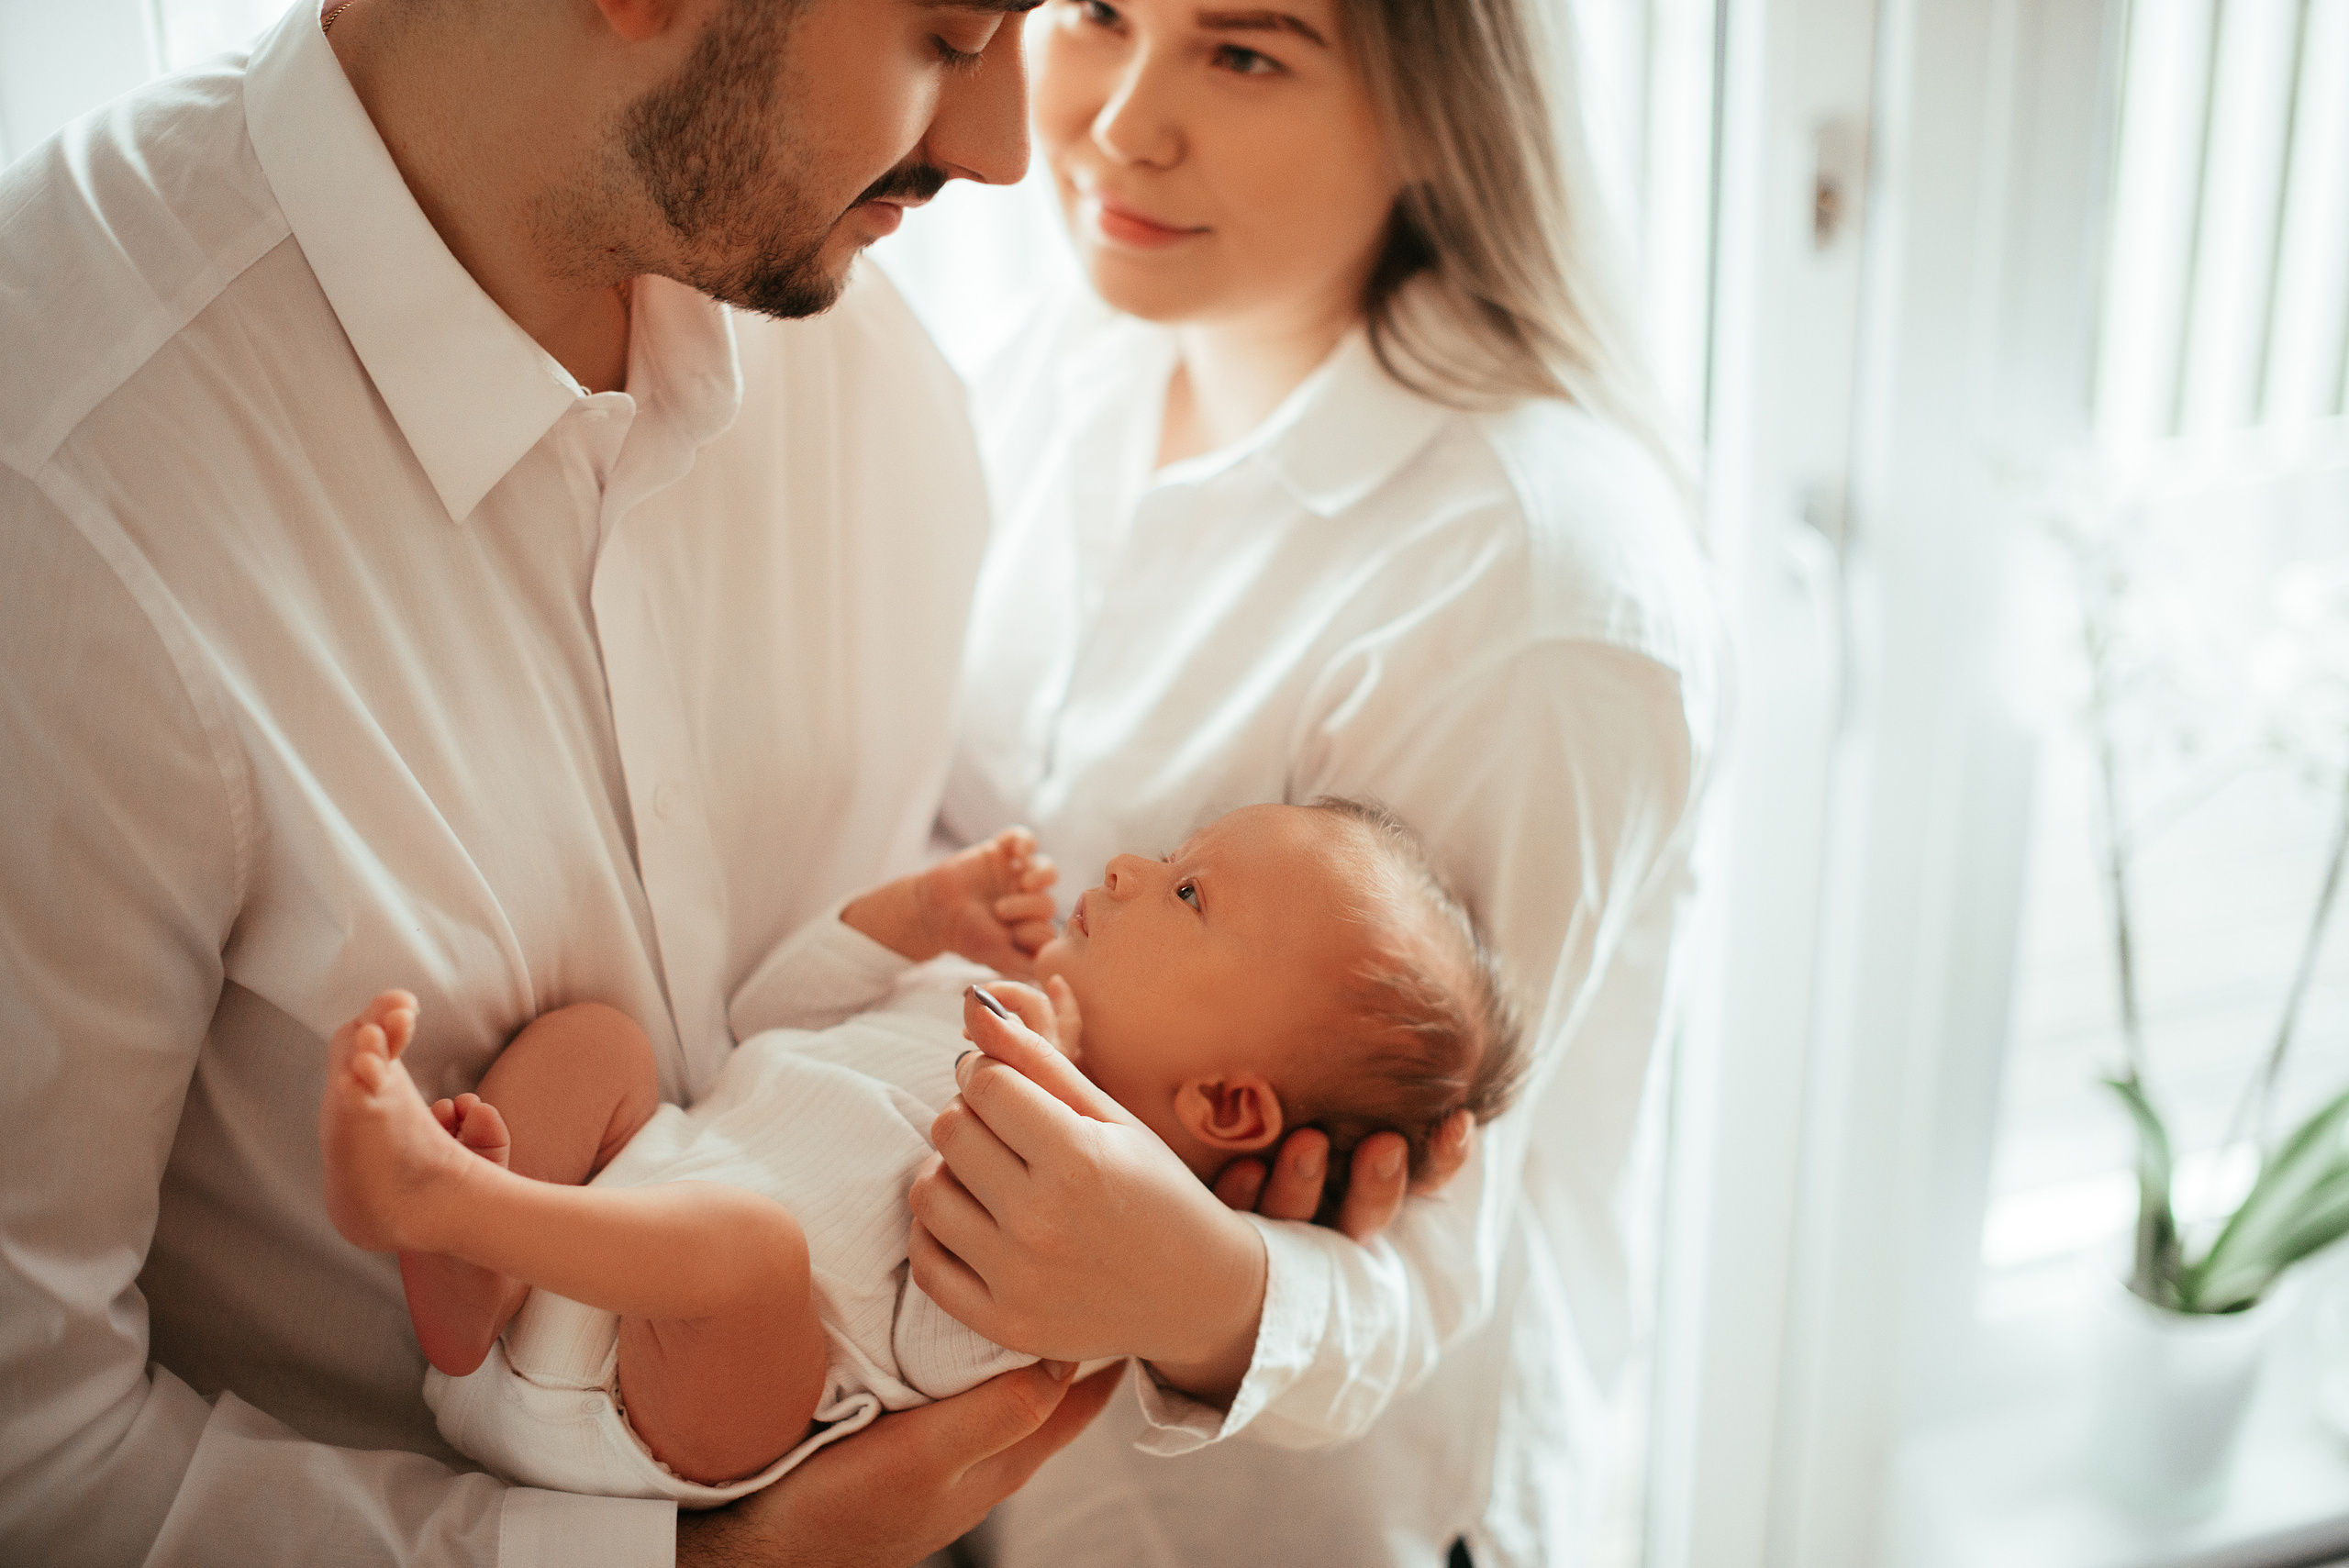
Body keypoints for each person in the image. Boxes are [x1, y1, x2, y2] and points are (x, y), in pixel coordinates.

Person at [0, 0, 1127, 1563]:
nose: (1003, 151)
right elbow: (35, 1461)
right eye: (952, 33)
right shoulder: (60, 487)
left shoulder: (873, 364)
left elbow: (943, 861)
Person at [921, 0, 1726, 1562]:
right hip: (975, 1467)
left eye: (1245, 53)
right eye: (1096, 13)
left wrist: (1207, 1288)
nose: (1117, 123)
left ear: (1441, 110)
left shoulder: (1529, 595)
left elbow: (1427, 1259)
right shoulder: (1074, 356)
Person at [319, 802, 1522, 1508]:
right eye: (1171, 852)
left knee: (756, 1252)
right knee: (602, 1040)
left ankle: (453, 1203)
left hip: (683, 1409)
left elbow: (946, 1347)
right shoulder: (990, 986)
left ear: (1223, 1099)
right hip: (608, 1230)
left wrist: (1015, 1094)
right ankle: (470, 1283)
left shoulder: (1095, 1223)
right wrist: (911, 919)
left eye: (1189, 893)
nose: (1125, 868)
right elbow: (766, 1022)